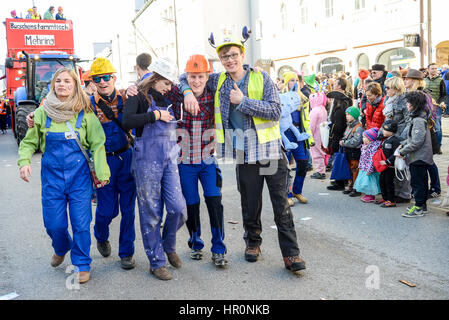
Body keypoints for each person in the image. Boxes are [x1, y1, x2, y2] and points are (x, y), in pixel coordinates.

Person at [181, 35, 306, 274]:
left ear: (242, 56)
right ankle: (253, 243)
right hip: (244, 152)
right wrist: (187, 91)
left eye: (233, 55)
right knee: (250, 203)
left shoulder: (261, 77)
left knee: (281, 205)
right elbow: (186, 76)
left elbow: (276, 110)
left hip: (270, 150)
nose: (229, 60)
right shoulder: (218, 81)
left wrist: (243, 101)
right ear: (220, 59)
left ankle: (291, 254)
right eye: (224, 56)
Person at [17, 68, 110, 284]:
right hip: (52, 180)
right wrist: (24, 162)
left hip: (79, 180)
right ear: (53, 86)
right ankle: (60, 247)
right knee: (54, 225)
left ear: (75, 85)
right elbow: (29, 142)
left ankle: (82, 264)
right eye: (58, 81)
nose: (62, 84)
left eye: (67, 81)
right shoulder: (41, 113)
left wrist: (102, 172)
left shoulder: (85, 114)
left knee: (80, 224)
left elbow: (97, 144)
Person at [122, 58, 187, 281]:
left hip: (169, 157)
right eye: (166, 83)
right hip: (146, 159)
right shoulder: (138, 96)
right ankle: (156, 262)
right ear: (156, 78)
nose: (169, 88)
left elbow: (190, 84)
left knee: (178, 208)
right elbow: (127, 121)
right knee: (150, 212)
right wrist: (155, 115)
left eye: (170, 84)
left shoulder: (170, 97)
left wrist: (185, 92)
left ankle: (168, 244)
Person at [88, 58, 137, 271]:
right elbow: (58, 106)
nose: (102, 81)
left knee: (128, 210)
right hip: (104, 161)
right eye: (97, 78)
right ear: (92, 81)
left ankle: (126, 253)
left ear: (114, 78)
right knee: (108, 210)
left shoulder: (127, 98)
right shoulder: (87, 103)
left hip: (127, 158)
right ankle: (101, 235)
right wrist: (35, 116)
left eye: (106, 77)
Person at [403, 69, 441, 199]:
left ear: (414, 80)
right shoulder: (413, 93)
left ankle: (435, 188)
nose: (405, 81)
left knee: (427, 162)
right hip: (417, 130)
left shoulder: (422, 95)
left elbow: (430, 115)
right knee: (424, 164)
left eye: (407, 78)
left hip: (425, 132)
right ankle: (423, 192)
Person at [398, 91, 434, 217]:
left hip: (418, 157)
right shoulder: (419, 118)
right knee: (422, 182)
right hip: (420, 156)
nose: (407, 104)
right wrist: (403, 143)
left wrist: (402, 151)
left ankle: (418, 207)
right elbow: (413, 138)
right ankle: (422, 205)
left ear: (415, 104)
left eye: (409, 102)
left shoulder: (418, 120)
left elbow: (417, 142)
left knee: (417, 183)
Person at [281, 71, 313, 206]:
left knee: (303, 163)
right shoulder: (281, 97)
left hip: (299, 132)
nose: (294, 83)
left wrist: (309, 136)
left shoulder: (303, 98)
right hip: (285, 133)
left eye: (296, 80)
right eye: (291, 80)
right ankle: (286, 194)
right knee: (285, 166)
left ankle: (296, 191)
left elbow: (306, 119)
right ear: (286, 82)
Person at [326, 78, 353, 190]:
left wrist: (330, 127)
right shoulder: (343, 102)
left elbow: (339, 124)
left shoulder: (342, 105)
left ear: (340, 86)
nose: (333, 85)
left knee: (339, 157)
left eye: (335, 84)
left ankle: (340, 182)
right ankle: (340, 180)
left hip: (339, 134)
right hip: (340, 133)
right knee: (339, 156)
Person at [376, 120, 401, 208]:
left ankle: (391, 200)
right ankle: (385, 198)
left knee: (389, 183)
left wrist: (387, 161)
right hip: (384, 166)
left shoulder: (395, 141)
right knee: (382, 181)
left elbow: (395, 154)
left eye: (385, 130)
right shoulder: (385, 139)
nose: (383, 131)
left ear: (392, 131)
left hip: (390, 166)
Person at [353, 128, 382, 203]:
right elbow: (362, 157)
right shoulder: (365, 146)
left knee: (369, 183)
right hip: (364, 167)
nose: (363, 139)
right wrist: (360, 166)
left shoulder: (373, 148)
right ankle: (367, 194)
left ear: (371, 138)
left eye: (365, 137)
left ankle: (371, 195)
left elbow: (372, 160)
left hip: (369, 168)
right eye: (363, 137)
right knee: (364, 181)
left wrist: (370, 169)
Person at [340, 106, 364, 197]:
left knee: (355, 169)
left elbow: (356, 141)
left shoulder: (358, 127)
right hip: (348, 151)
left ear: (354, 116)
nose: (347, 116)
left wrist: (344, 143)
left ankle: (356, 188)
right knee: (349, 169)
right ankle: (350, 185)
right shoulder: (349, 126)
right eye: (346, 114)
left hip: (355, 151)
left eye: (349, 114)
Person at [425, 63, 446, 154]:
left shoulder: (441, 80)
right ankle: (429, 147)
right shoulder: (423, 80)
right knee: (426, 127)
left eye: (436, 68)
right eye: (432, 68)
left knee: (437, 127)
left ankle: (438, 147)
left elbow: (444, 94)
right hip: (425, 106)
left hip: (436, 107)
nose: (434, 70)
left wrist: (443, 101)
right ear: (428, 69)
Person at [309, 92, 329, 180]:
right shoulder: (323, 109)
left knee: (316, 153)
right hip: (322, 133)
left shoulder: (314, 110)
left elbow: (311, 125)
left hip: (315, 134)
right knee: (321, 152)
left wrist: (309, 135)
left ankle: (320, 172)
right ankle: (322, 170)